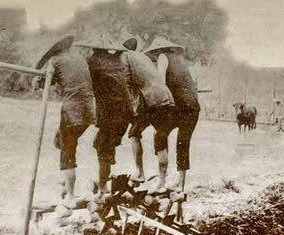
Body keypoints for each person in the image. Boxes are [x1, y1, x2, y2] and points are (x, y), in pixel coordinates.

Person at [35, 36, 95, 206]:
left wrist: (38, 80)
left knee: (67, 151)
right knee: (60, 141)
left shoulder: (55, 60)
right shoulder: (80, 58)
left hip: (72, 110)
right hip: (89, 109)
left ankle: (70, 195)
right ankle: (63, 184)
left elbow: (44, 82)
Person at [143, 36, 201, 193]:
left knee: (160, 135)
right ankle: (180, 182)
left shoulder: (162, 57)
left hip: (180, 107)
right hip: (193, 106)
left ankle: (161, 181)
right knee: (183, 143)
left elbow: (160, 81)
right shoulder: (180, 59)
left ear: (158, 50)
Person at [75, 35, 131, 192]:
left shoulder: (92, 62)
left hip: (111, 112)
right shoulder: (116, 61)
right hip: (125, 112)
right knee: (107, 145)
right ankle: (104, 182)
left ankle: (103, 187)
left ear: (93, 49)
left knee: (102, 146)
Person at [121, 37, 175, 183]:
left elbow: (126, 83)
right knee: (161, 136)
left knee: (134, 133)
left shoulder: (124, 57)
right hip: (166, 97)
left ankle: (139, 173)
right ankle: (163, 179)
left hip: (151, 100)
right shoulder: (142, 57)